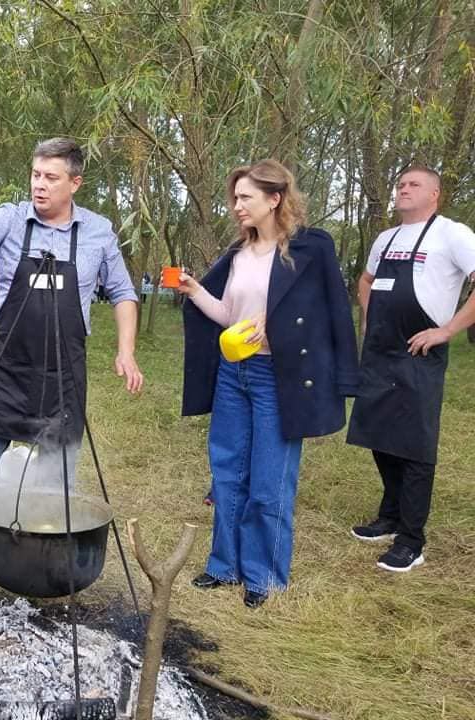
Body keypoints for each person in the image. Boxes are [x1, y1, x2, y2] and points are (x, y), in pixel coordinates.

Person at [0, 137, 144, 579]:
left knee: (57, 468)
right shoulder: (10, 220)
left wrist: (127, 351)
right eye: (36, 175)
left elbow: (122, 292)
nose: (40, 186)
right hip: (10, 366)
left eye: (51, 178)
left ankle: (43, 551)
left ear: (75, 183)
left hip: (64, 371)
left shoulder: (98, 231)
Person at [178, 159, 359, 608]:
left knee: (270, 480)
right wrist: (194, 289)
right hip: (232, 374)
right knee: (227, 473)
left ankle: (264, 576)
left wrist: (280, 330)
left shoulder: (312, 249)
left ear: (275, 199)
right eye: (235, 198)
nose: (236, 206)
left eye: (246, 198)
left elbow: (333, 312)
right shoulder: (237, 254)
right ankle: (224, 567)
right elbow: (226, 316)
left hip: (278, 378)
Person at [347, 165, 475, 572]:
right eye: (399, 183)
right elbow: (366, 282)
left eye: (413, 184)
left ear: (434, 193)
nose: (402, 189)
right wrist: (370, 316)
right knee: (378, 435)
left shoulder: (452, 234)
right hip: (380, 349)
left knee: (415, 445)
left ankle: (412, 538)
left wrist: (448, 330)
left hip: (420, 351)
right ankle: (390, 515)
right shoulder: (385, 239)